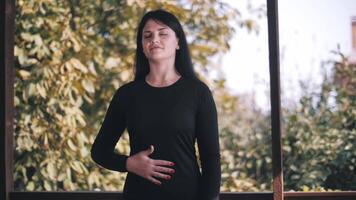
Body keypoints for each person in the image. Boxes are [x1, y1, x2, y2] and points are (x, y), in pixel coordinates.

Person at [91, 9, 221, 200]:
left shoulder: (198, 92)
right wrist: (129, 164)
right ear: (142, 46)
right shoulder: (126, 95)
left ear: (178, 42)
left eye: (163, 33)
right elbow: (99, 152)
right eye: (147, 35)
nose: (154, 39)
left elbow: (211, 159)